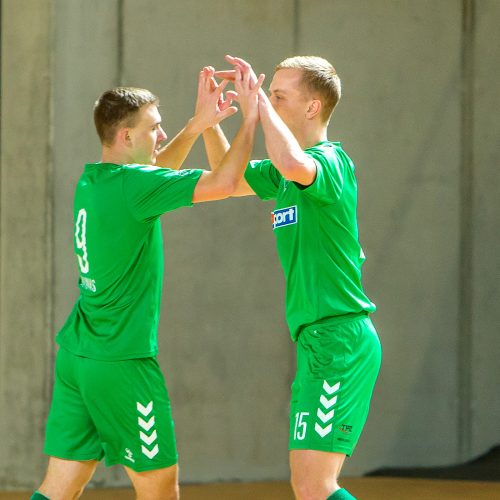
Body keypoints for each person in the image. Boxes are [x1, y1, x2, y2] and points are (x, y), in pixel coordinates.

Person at [31, 65, 264, 500]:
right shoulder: (135, 186)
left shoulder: (97, 179)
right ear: (126, 137)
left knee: (58, 487)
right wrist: (250, 118)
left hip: (79, 358)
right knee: (159, 490)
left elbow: (154, 177)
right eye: (154, 128)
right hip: (123, 363)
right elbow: (228, 181)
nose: (160, 136)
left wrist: (197, 126)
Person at [206, 55, 382, 500]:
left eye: (279, 95)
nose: (269, 101)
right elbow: (228, 179)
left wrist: (256, 102)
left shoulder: (330, 161)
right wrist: (210, 121)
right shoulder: (286, 175)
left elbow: (291, 162)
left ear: (312, 108)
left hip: (339, 339)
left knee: (316, 488)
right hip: (316, 341)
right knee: (309, 488)